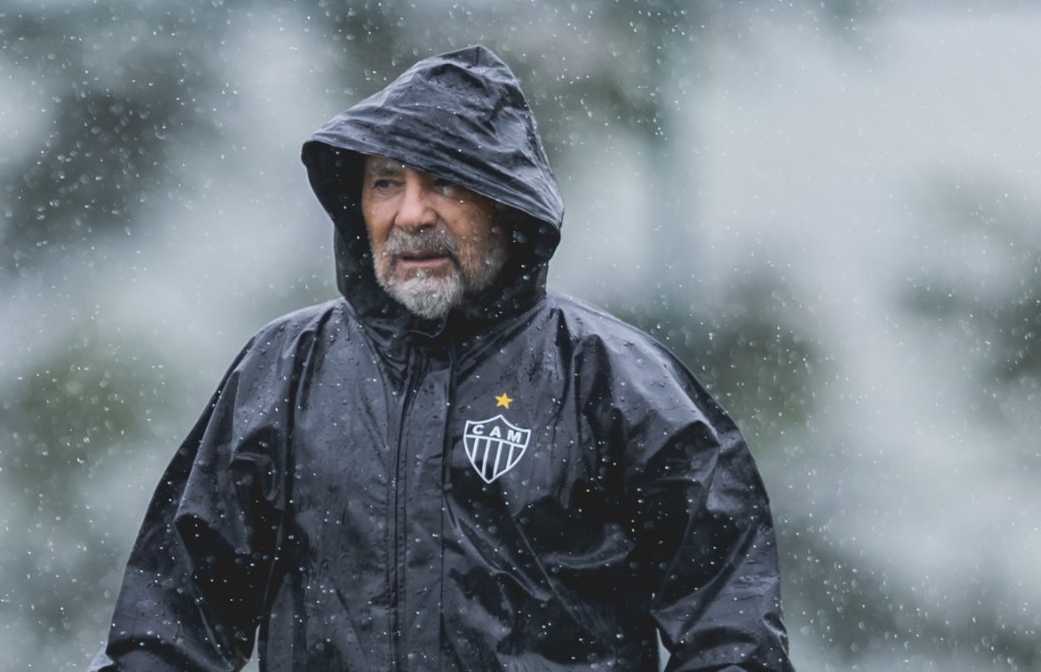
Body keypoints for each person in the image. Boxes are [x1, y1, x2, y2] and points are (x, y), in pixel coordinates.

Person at [89, 46, 795, 672]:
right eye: (387, 181)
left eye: (446, 182)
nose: (412, 213)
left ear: (509, 204)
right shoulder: (283, 372)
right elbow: (167, 631)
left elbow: (733, 636)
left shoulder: (616, 383)